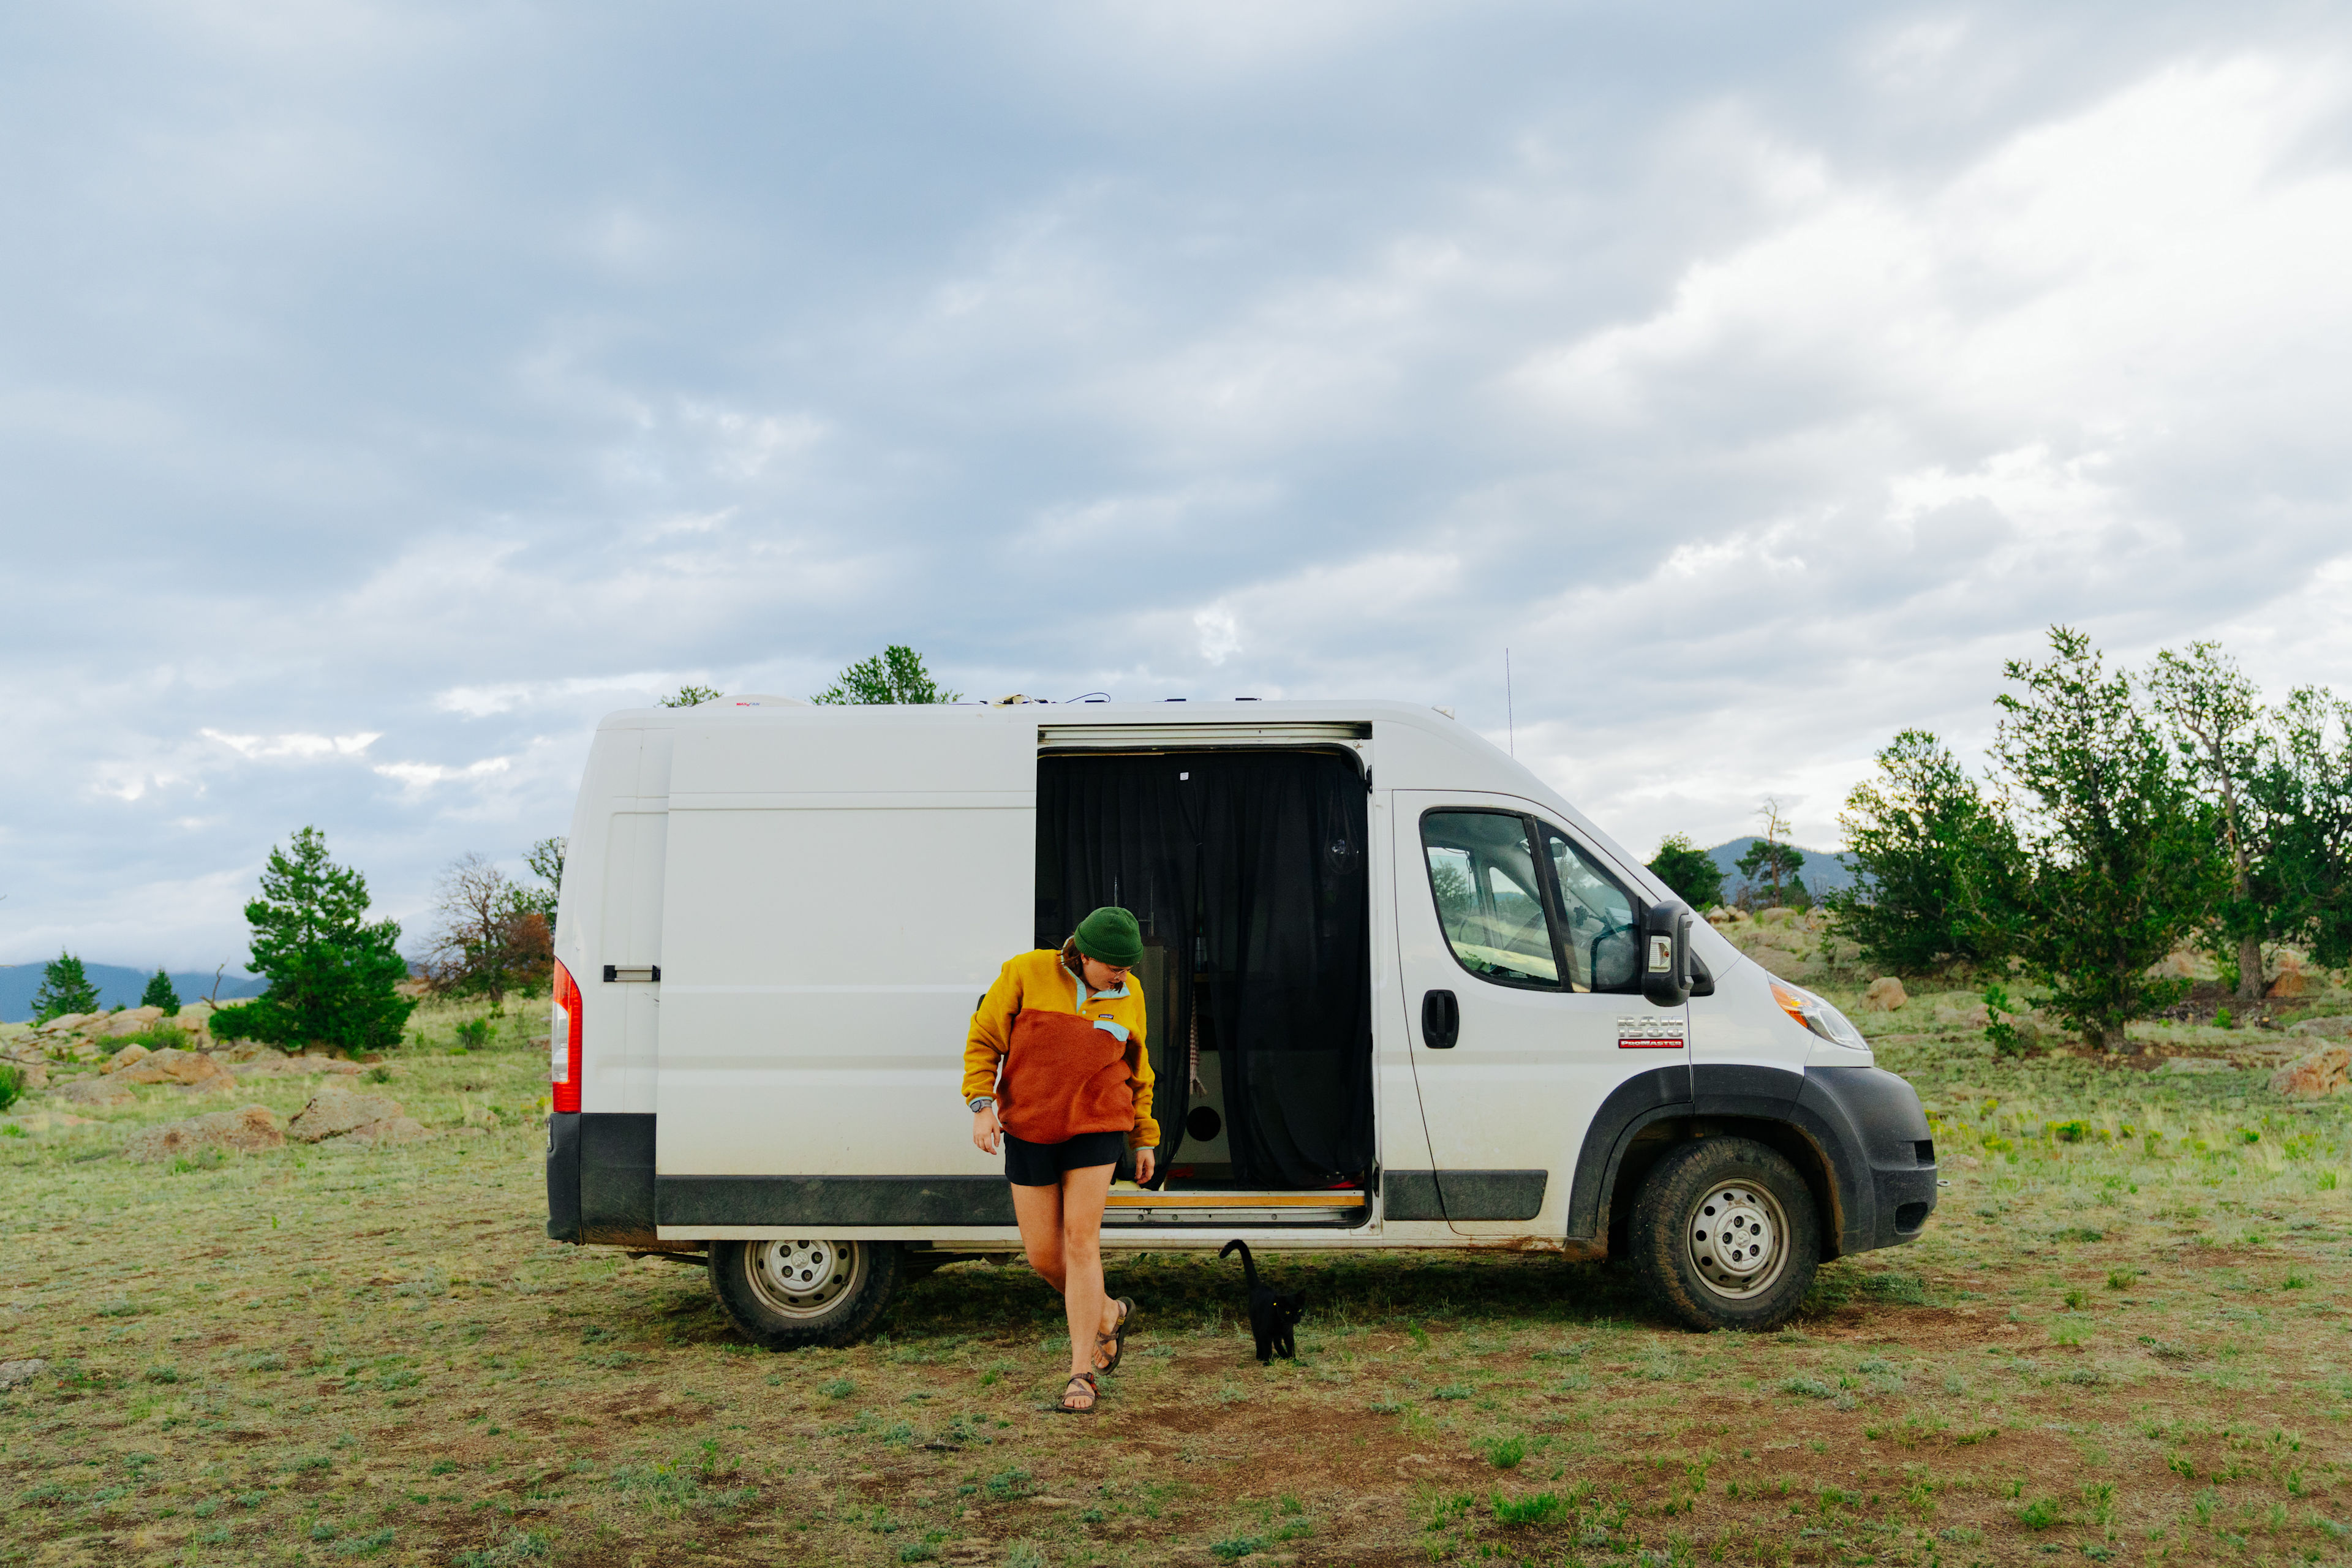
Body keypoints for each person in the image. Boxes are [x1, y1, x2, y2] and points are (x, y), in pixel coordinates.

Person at [963, 907, 1158, 1414]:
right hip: (1030, 1126)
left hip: (1097, 1124)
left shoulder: (1130, 993)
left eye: (1128, 967)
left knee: (1080, 1240)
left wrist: (1144, 1137)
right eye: (1114, 966)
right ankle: (1109, 1312)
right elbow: (984, 1040)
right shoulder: (1025, 973)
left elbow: (1139, 1070)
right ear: (1084, 953)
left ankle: (1081, 1373)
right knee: (1044, 1257)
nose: (1123, 975)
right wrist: (983, 1107)